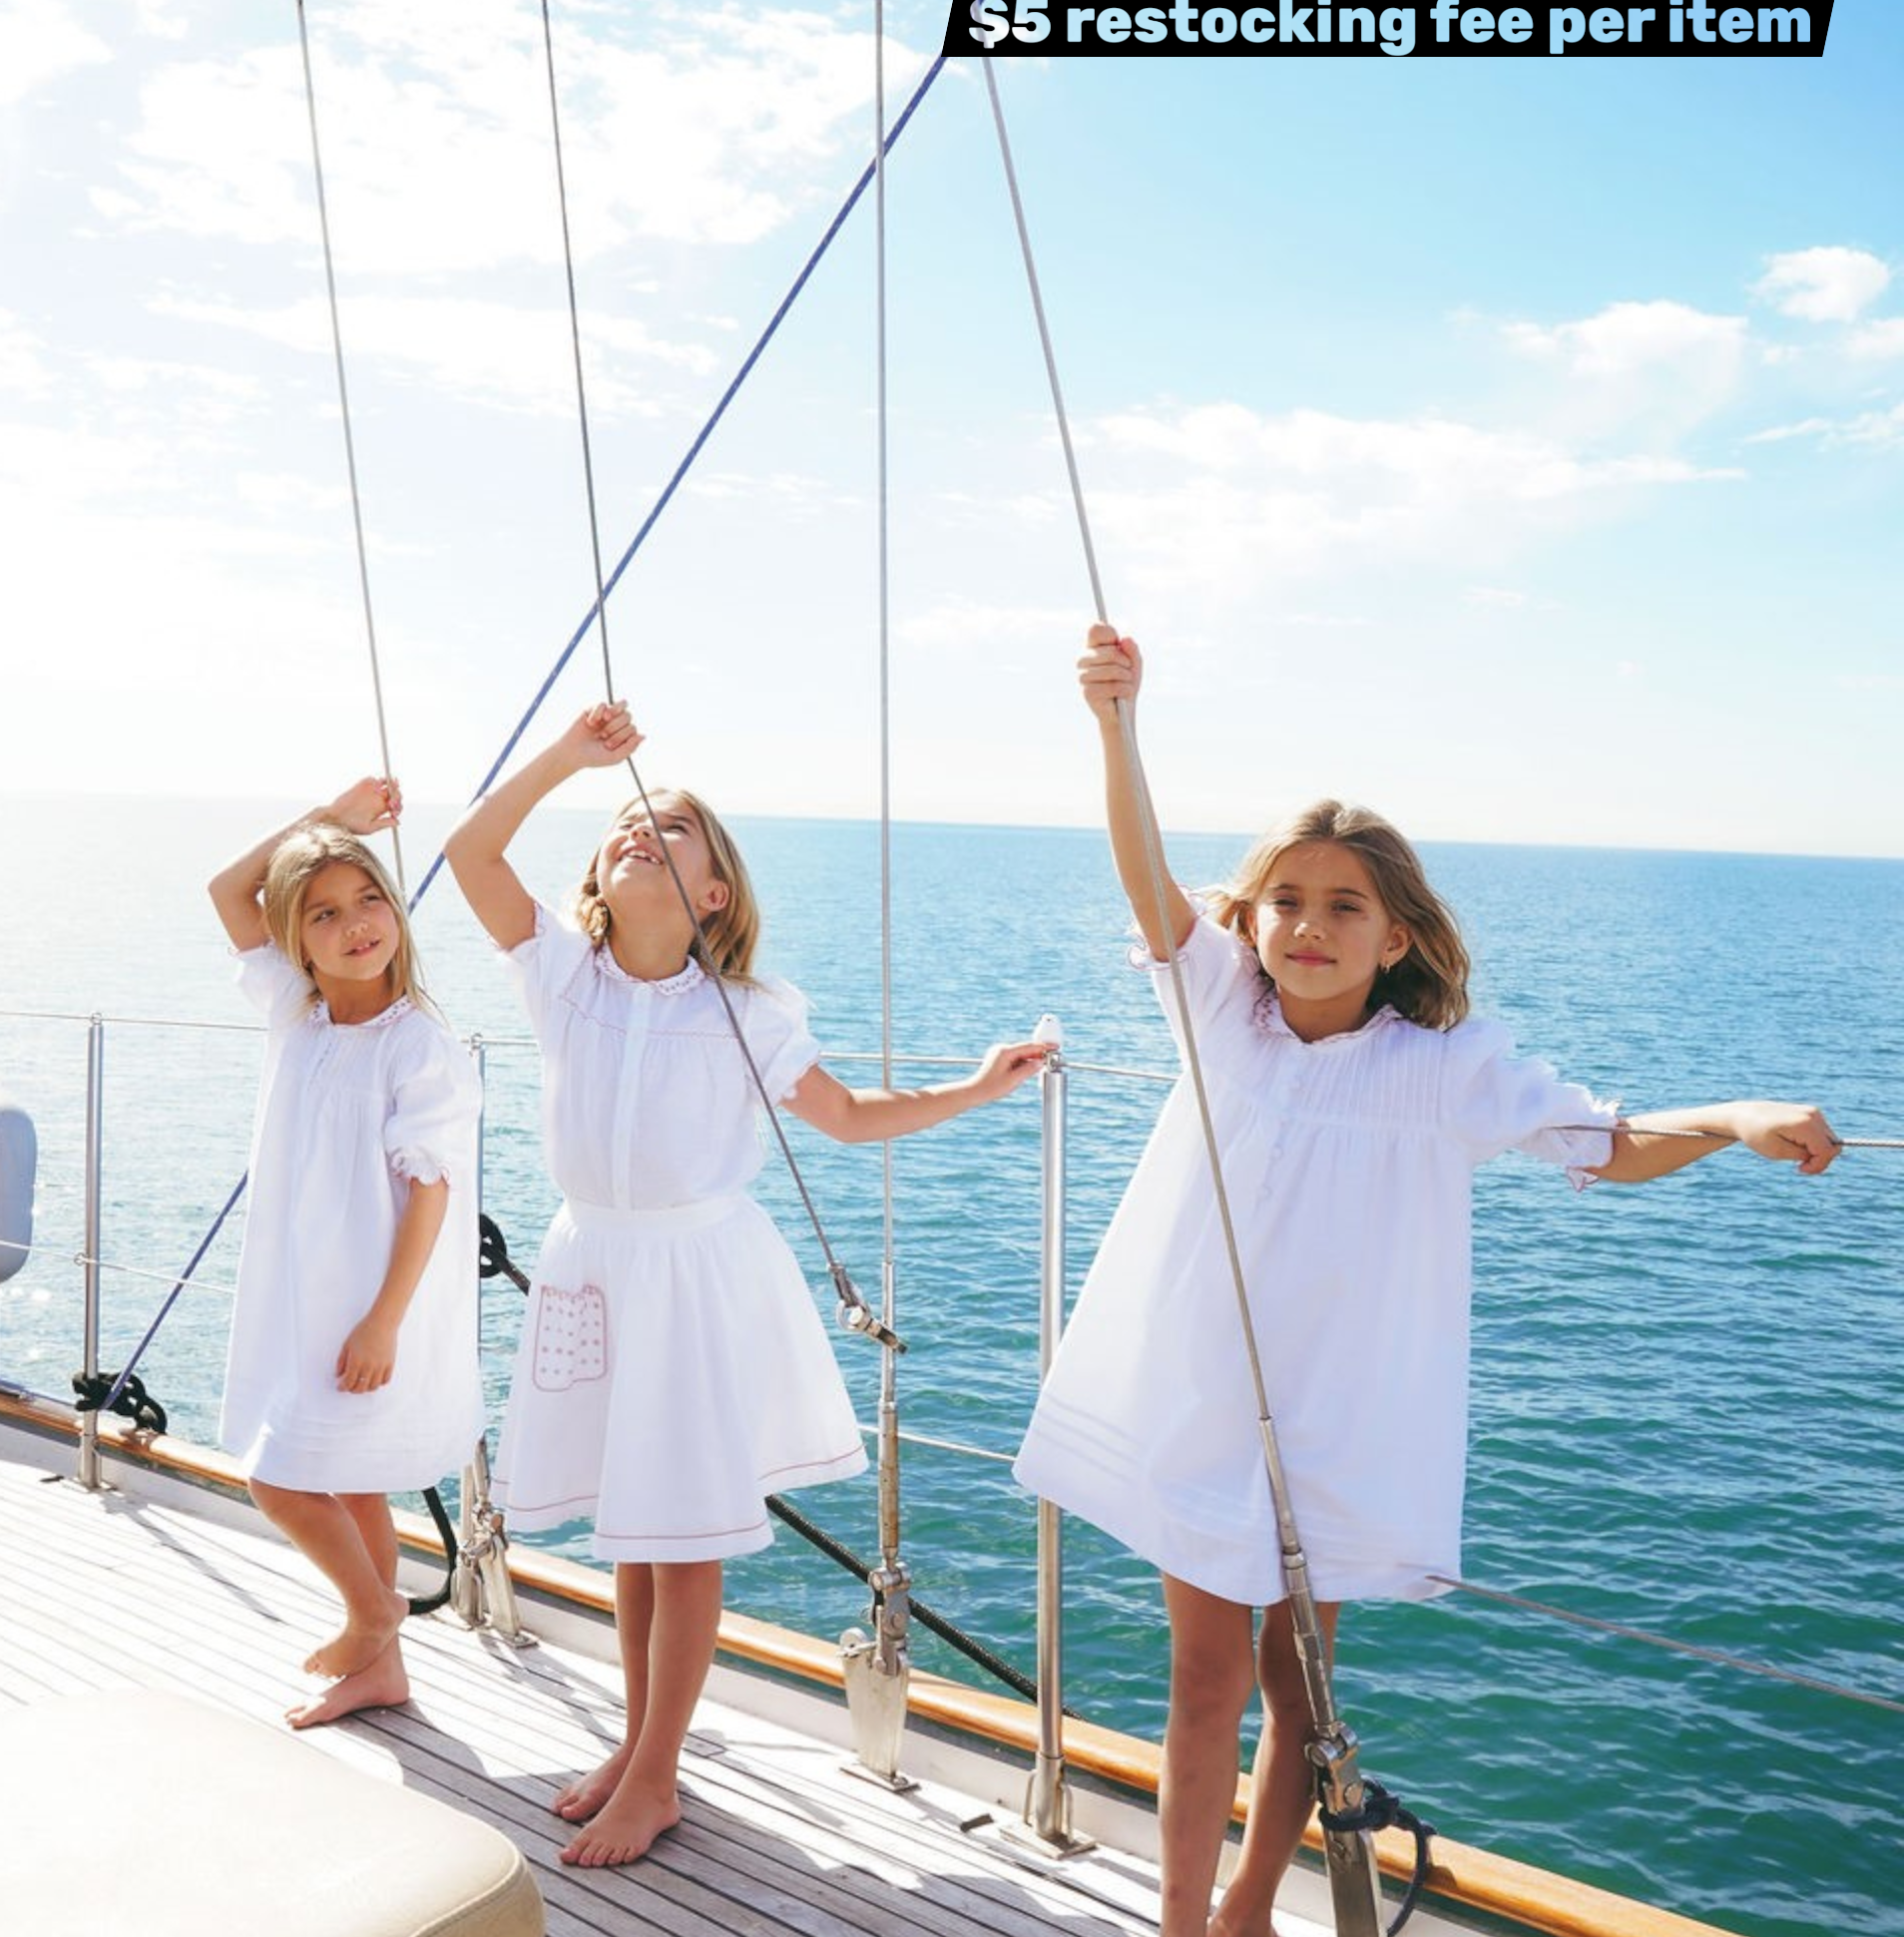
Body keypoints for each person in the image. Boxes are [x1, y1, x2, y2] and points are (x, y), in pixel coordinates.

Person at [1014, 625, 1843, 1937]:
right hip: (1201, 1392)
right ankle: (1180, 1925)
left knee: (1300, 1689)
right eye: (1287, 899)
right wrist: (1116, 725)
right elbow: (1142, 869)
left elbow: (1607, 1145)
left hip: (1337, 1409)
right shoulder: (1217, 1009)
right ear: (1251, 919)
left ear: (1396, 935)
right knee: (1201, 1679)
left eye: (1345, 905)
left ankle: (1246, 1911)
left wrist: (1734, 1115)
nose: (1309, 925)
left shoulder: (1445, 1068)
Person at [444, 701, 1054, 1869]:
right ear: (598, 874)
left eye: (672, 825)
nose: (641, 824)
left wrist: (979, 1086)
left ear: (715, 892)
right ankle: (640, 1746)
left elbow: (849, 1116)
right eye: (628, 821)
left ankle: (656, 1773)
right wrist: (569, 757)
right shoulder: (560, 973)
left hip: (695, 1282)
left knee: (682, 1539)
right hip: (595, 1266)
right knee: (634, 1534)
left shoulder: (750, 1012)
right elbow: (470, 851)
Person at [209, 778, 484, 1730]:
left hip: (372, 1303)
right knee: (352, 1482)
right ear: (295, 941)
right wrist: (332, 818)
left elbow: (431, 1191)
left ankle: (372, 1614)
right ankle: (383, 1670)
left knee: (277, 1476)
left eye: (370, 899)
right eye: (323, 913)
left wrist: (383, 1322)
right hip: (308, 1293)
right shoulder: (300, 1012)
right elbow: (226, 889)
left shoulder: (421, 1048)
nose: (356, 924)